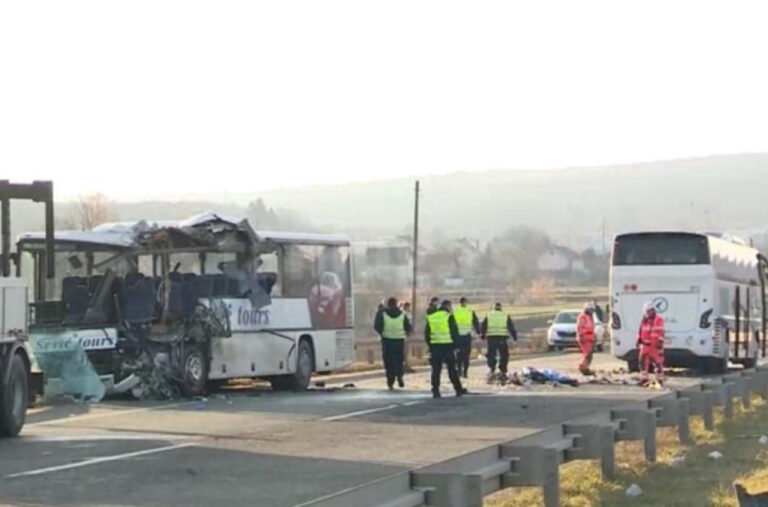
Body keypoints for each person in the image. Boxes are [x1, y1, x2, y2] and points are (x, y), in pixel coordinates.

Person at [425, 300, 465, 398]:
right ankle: (458, 389)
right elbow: (454, 332)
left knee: (436, 370)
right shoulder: (449, 316)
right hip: (448, 346)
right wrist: (457, 346)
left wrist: (430, 346)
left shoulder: (431, 317)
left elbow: (427, 334)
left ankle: (435, 390)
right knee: (451, 369)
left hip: (435, 346)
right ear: (447, 308)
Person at [374, 297, 412, 390]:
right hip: (399, 340)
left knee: (389, 362)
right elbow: (409, 327)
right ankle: (400, 376)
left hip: (387, 341)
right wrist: (406, 333)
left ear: (388, 304)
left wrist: (382, 333)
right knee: (399, 360)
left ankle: (390, 382)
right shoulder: (402, 314)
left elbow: (376, 326)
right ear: (396, 304)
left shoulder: (382, 314)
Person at [481, 302, 518, 381]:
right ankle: (503, 370)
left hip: (491, 338)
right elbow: (511, 327)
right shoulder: (504, 315)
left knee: (491, 354)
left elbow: (483, 326)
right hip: (502, 338)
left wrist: (482, 335)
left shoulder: (489, 315)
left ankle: (492, 368)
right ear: (501, 308)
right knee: (504, 355)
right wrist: (514, 337)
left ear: (493, 307)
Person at [637, 301, 665, 385]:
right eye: (648, 311)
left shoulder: (658, 319)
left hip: (655, 345)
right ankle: (644, 378)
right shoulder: (644, 320)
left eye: (651, 310)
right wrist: (638, 339)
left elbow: (661, 331)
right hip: (645, 345)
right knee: (643, 362)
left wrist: (660, 341)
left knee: (658, 362)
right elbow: (640, 330)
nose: (649, 312)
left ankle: (659, 379)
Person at [452, 297, 480, 378]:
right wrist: (478, 332)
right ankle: (465, 372)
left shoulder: (455, 311)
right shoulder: (470, 311)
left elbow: (451, 323)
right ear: (466, 302)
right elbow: (475, 322)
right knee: (466, 355)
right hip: (467, 335)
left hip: (458, 335)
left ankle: (459, 370)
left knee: (458, 354)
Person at [577, 302, 597, 375]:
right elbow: (580, 327)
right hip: (584, 338)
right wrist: (581, 336)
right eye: (591, 310)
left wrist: (594, 337)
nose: (592, 312)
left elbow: (591, 328)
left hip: (590, 338)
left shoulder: (590, 317)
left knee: (589, 354)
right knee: (586, 354)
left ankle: (586, 367)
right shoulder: (582, 317)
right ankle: (582, 367)